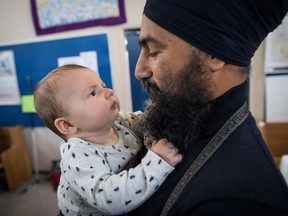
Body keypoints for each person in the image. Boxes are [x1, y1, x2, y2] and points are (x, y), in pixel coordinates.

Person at [125, 0, 288, 215]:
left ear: (214, 55)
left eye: (154, 51)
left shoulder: (238, 200)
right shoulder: (179, 123)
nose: (139, 71)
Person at [33, 64, 182, 216]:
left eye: (103, 85)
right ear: (67, 124)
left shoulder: (118, 123)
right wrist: (157, 162)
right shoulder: (77, 155)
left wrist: (149, 133)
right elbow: (112, 199)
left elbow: (145, 121)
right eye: (92, 93)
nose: (108, 91)